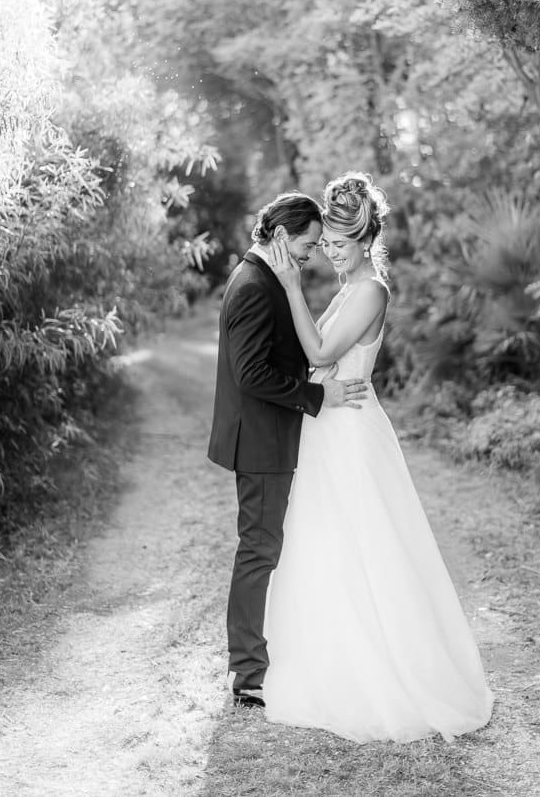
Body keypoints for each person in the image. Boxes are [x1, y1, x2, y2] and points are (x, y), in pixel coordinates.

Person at [260, 172, 493, 741]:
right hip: (330, 423)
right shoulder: (350, 282)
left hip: (352, 433)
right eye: (327, 247)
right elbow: (318, 360)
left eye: (338, 246)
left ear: (364, 241)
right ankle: (335, 655)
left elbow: (318, 350)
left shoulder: (370, 289)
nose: (329, 256)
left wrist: (290, 287)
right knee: (327, 544)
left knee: (366, 545)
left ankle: (387, 671)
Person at [207, 191, 369, 709]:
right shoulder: (254, 284)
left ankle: (260, 659)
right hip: (260, 439)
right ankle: (247, 673)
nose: (312, 254)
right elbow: (252, 373)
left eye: (319, 245)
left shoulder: (264, 276)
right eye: (307, 244)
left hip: (267, 435)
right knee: (258, 551)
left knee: (266, 548)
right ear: (280, 235)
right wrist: (316, 395)